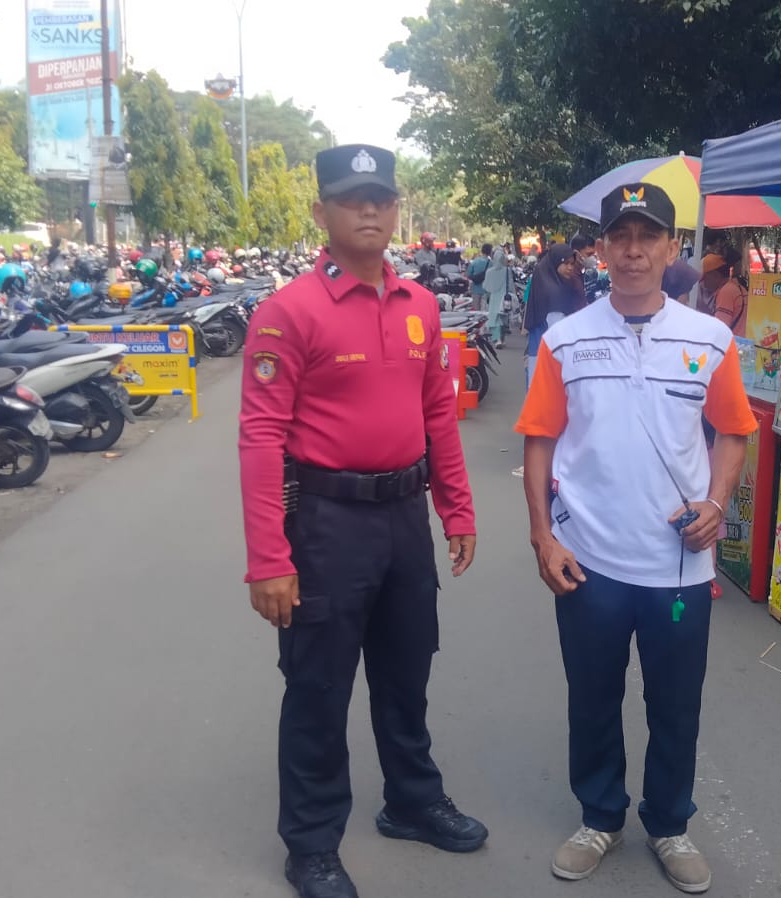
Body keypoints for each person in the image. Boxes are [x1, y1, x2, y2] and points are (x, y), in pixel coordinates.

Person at [238, 143, 486, 898]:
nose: (370, 209)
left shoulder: (421, 306)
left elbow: (438, 412)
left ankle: (410, 801)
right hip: (326, 524)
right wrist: (269, 559)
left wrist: (456, 508)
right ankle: (312, 843)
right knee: (318, 686)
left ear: (396, 208)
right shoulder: (288, 313)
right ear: (323, 213)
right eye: (352, 198)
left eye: (381, 197)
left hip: (404, 518)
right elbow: (260, 436)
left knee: (407, 670)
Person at [516, 182, 756, 894]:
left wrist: (716, 502)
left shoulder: (710, 339)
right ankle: (599, 817)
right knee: (592, 697)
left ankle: (670, 824)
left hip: (677, 565)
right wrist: (542, 536)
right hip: (588, 560)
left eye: (647, 236)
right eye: (618, 236)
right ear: (599, 248)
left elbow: (734, 432)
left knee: (676, 704)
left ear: (672, 248)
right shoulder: (566, 339)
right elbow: (539, 440)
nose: (632, 251)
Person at [522, 243, 588, 388]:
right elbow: (557, 324)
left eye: (572, 263)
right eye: (566, 263)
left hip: (538, 343)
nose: (570, 267)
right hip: (551, 347)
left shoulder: (545, 276)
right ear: (556, 262)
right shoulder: (555, 290)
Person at [697, 254, 747, 336]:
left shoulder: (726, 292)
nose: (703, 283)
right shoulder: (738, 288)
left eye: (705, 278)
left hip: (732, 342)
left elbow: (719, 329)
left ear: (715, 275)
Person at [483, 240, 513, 348]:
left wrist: (487, 296)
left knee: (494, 318)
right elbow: (510, 285)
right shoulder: (507, 270)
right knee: (503, 318)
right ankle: (502, 339)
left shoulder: (489, 272)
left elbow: (486, 286)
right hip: (504, 298)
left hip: (494, 297)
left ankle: (497, 339)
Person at [468, 243, 492, 311]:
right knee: (484, 311)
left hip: (475, 289)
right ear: (490, 252)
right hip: (486, 290)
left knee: (475, 310)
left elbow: (468, 274)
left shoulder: (475, 261)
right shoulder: (491, 263)